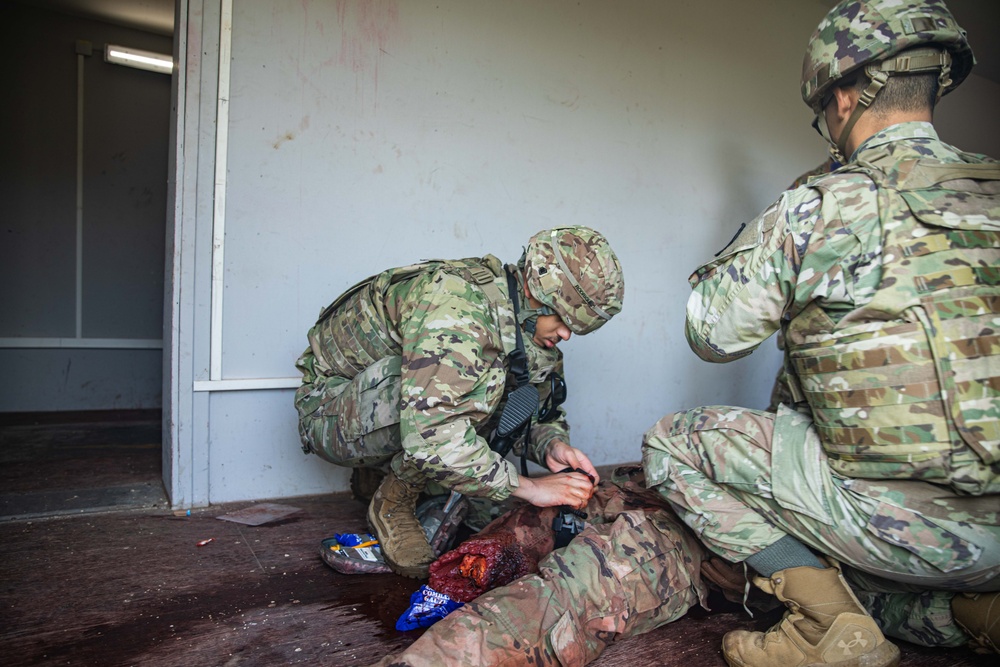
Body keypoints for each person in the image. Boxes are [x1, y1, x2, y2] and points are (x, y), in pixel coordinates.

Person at [641, 1, 1000, 665]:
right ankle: (979, 611)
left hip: (895, 527)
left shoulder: (824, 203)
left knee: (671, 444)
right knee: (871, 576)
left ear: (843, 93)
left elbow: (711, 330)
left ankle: (824, 624)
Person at [294, 226, 624, 578]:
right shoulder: (458, 307)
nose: (566, 334)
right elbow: (431, 433)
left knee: (505, 379)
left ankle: (384, 473)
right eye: (562, 319)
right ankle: (393, 500)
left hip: (380, 413)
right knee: (477, 381)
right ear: (535, 292)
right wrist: (530, 489)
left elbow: (534, 409)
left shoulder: (521, 321)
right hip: (328, 412)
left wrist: (550, 446)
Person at [370, 468, 719, 667]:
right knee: (520, 535)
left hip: (710, 534)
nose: (567, 334)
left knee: (576, 593)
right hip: (664, 487)